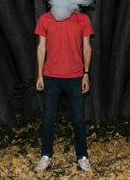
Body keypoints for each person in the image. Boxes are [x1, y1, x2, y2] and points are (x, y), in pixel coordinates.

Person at [33, 9, 94, 172]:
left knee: (78, 120)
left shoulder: (82, 19)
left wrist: (86, 74)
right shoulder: (45, 18)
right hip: (51, 77)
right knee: (48, 119)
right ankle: (46, 156)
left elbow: (87, 47)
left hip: (76, 77)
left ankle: (82, 157)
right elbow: (41, 47)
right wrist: (39, 75)